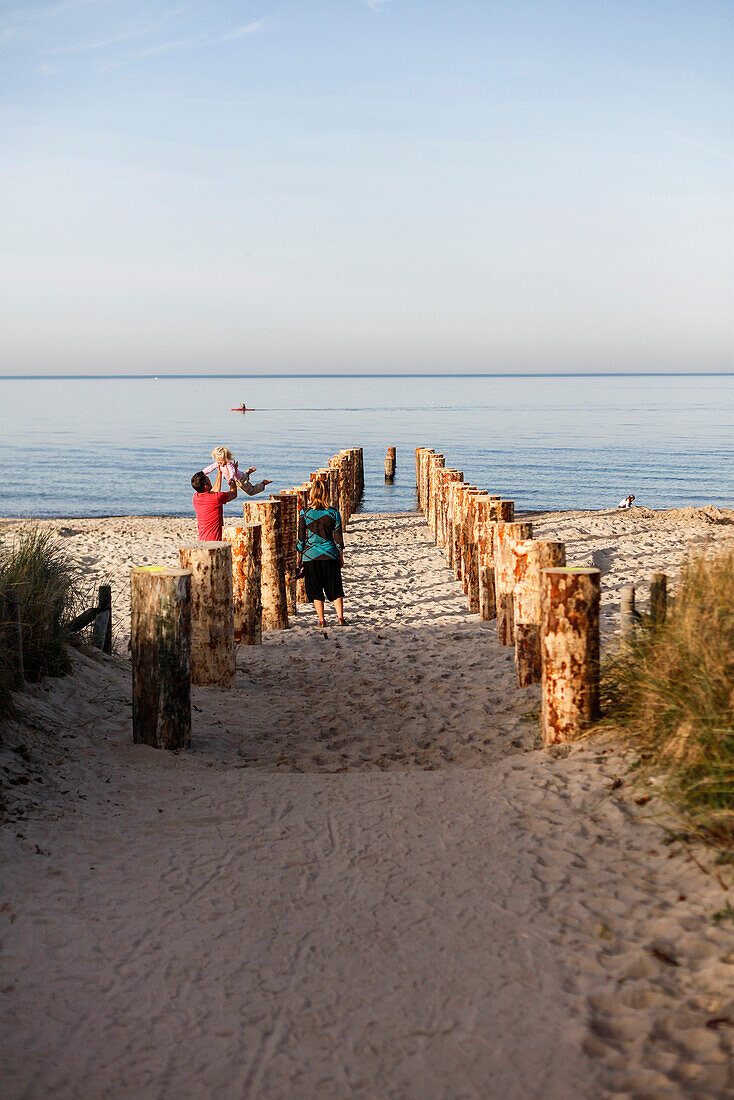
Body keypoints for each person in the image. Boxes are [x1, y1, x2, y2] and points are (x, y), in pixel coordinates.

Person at [297, 478, 345, 627]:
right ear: (326, 494)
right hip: (330, 555)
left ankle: (322, 620)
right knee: (335, 587)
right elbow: (338, 538)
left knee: (315, 589)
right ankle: (340, 618)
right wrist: (340, 556)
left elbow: (301, 538)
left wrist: (300, 555)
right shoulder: (333, 513)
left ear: (311, 494)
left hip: (310, 557)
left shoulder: (304, 513)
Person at [191, 471, 239, 541]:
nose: (211, 481)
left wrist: (219, 473)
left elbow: (213, 492)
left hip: (202, 539)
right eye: (209, 480)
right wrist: (233, 484)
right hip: (215, 541)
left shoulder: (196, 497)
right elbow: (234, 494)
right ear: (206, 486)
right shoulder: (217, 498)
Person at [203, 445, 271, 495]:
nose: (219, 463)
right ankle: (247, 473)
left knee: (250, 492)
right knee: (243, 484)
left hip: (239, 480)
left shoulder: (229, 465)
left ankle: (263, 483)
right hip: (238, 478)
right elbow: (210, 468)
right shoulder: (218, 463)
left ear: (226, 459)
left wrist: (231, 479)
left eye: (221, 461)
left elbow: (231, 472)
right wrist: (202, 473)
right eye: (217, 461)